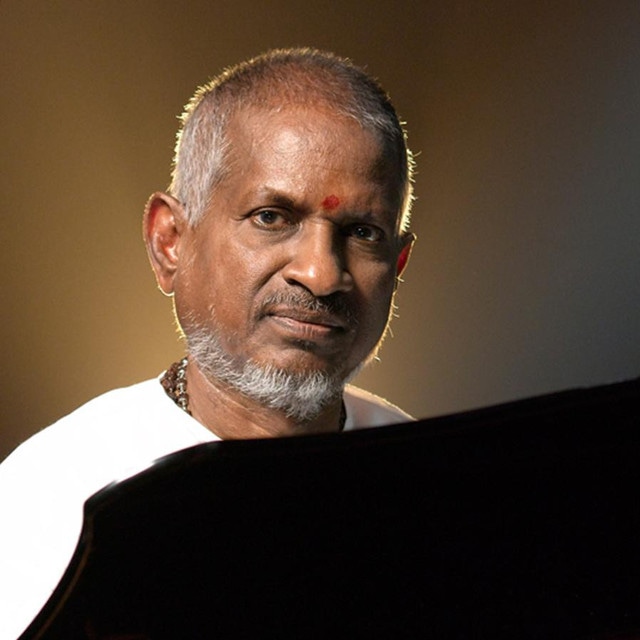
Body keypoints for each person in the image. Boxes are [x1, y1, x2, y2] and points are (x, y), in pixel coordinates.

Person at [0, 48, 416, 638]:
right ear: (171, 241)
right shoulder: (48, 501)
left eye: (363, 232)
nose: (321, 273)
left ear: (397, 264)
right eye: (272, 217)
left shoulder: (435, 483)